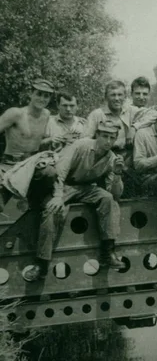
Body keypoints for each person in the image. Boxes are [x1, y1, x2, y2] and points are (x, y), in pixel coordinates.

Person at [22, 120, 127, 282]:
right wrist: (57, 196)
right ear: (97, 135)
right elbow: (60, 172)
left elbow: (115, 194)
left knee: (108, 199)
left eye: (112, 137)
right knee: (52, 209)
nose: (108, 141)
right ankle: (41, 264)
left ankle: (108, 252)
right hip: (64, 185)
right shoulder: (81, 145)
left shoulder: (111, 158)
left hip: (85, 188)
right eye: (104, 136)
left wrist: (118, 175)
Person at [0, 79, 56, 212]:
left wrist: (51, 140)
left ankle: (38, 205)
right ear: (31, 94)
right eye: (39, 94)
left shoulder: (46, 115)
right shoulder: (16, 113)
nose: (42, 98)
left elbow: (36, 140)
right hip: (9, 164)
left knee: (50, 173)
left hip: (32, 164)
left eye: (46, 95)